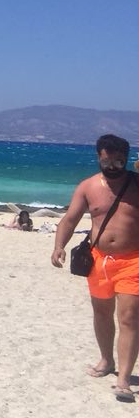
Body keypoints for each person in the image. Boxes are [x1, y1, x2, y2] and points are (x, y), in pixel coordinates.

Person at [51, 134, 139, 402]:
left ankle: (124, 380)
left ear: (127, 159)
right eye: (107, 161)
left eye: (119, 161)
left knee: (129, 317)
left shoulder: (137, 184)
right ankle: (106, 360)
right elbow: (70, 219)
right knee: (101, 313)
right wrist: (59, 246)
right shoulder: (88, 186)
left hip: (133, 260)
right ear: (99, 157)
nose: (113, 166)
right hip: (98, 260)